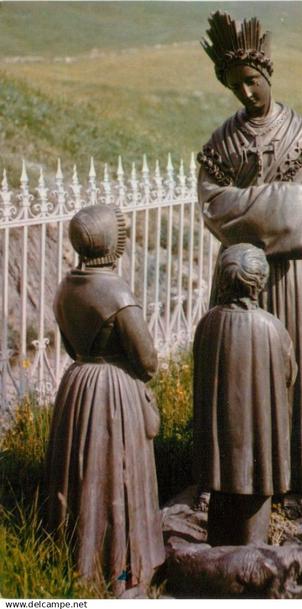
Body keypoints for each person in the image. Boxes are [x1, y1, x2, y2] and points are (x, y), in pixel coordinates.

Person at [197, 11, 302, 515]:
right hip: (242, 282)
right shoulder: (221, 143)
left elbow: (301, 220)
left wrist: (245, 206)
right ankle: (240, 481)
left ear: (267, 74)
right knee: (243, 376)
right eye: (234, 85)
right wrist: (273, 203)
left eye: (251, 80)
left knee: (300, 372)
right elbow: (212, 207)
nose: (245, 93)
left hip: (295, 278)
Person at [45, 204, 165, 595]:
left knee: (80, 477)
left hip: (77, 386)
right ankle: (123, 576)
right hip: (113, 394)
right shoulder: (115, 291)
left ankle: (73, 564)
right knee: (119, 481)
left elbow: (68, 344)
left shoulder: (67, 286)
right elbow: (147, 360)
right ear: (114, 245)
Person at [193, 243, 297, 545]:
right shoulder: (272, 328)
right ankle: (251, 551)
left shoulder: (208, 322)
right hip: (258, 439)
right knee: (256, 487)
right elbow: (289, 374)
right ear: (260, 283)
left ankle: (218, 548)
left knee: (220, 492)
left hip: (219, 436)